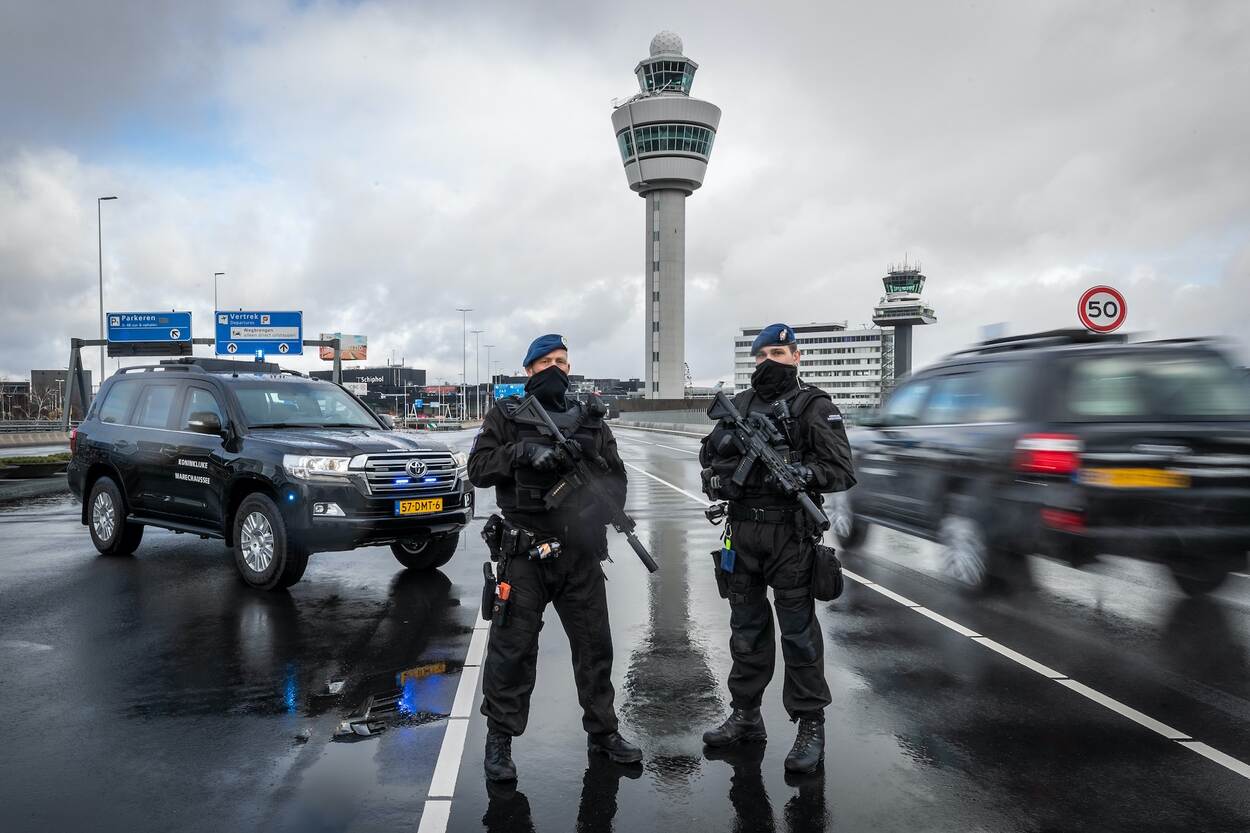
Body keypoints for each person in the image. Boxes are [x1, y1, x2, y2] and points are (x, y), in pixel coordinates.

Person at [468, 333, 642, 782]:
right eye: (545, 362)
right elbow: (479, 469)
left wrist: (600, 507)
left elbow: (617, 477)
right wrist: (522, 452)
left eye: (562, 362)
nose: (555, 369)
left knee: (594, 648)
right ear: (528, 370)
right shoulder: (506, 415)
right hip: (524, 553)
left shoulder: (589, 420)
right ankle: (499, 742)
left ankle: (603, 733)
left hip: (580, 553)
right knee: (512, 651)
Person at [699, 323, 856, 773]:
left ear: (797, 356)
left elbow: (841, 470)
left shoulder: (813, 405)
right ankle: (746, 715)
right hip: (743, 532)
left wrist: (802, 474)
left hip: (790, 534)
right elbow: (708, 458)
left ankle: (810, 725)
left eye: (780, 352)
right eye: (764, 352)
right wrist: (719, 473)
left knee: (798, 635)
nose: (772, 359)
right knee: (745, 631)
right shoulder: (739, 405)